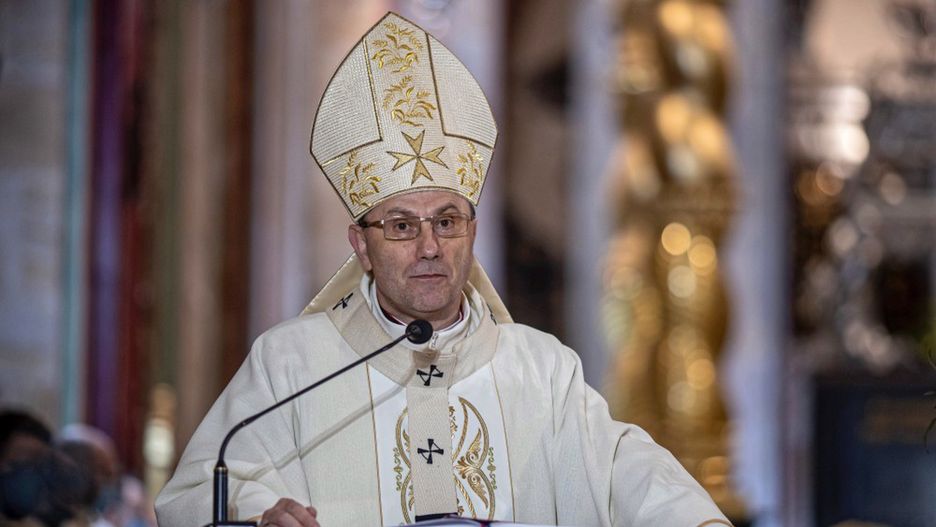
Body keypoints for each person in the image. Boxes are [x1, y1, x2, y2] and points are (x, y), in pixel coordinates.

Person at [156, 12, 730, 527]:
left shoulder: (541, 369)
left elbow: (623, 468)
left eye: (448, 221)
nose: (430, 246)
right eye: (402, 226)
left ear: (472, 233)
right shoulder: (292, 365)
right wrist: (261, 517)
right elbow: (203, 489)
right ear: (361, 245)